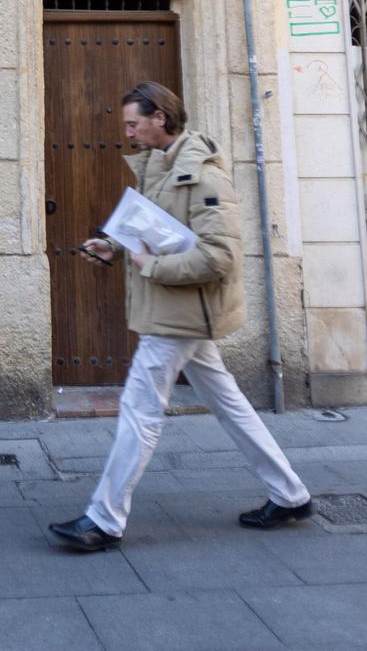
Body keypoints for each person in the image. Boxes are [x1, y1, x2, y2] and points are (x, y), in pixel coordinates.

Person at [49, 81, 313, 553]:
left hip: (181, 315)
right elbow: (160, 233)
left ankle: (104, 520)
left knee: (139, 410)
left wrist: (153, 267)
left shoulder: (203, 175)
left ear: (160, 119)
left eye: (133, 122)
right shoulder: (160, 169)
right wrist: (113, 247)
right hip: (179, 312)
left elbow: (219, 257)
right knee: (230, 404)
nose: (127, 132)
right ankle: (290, 494)